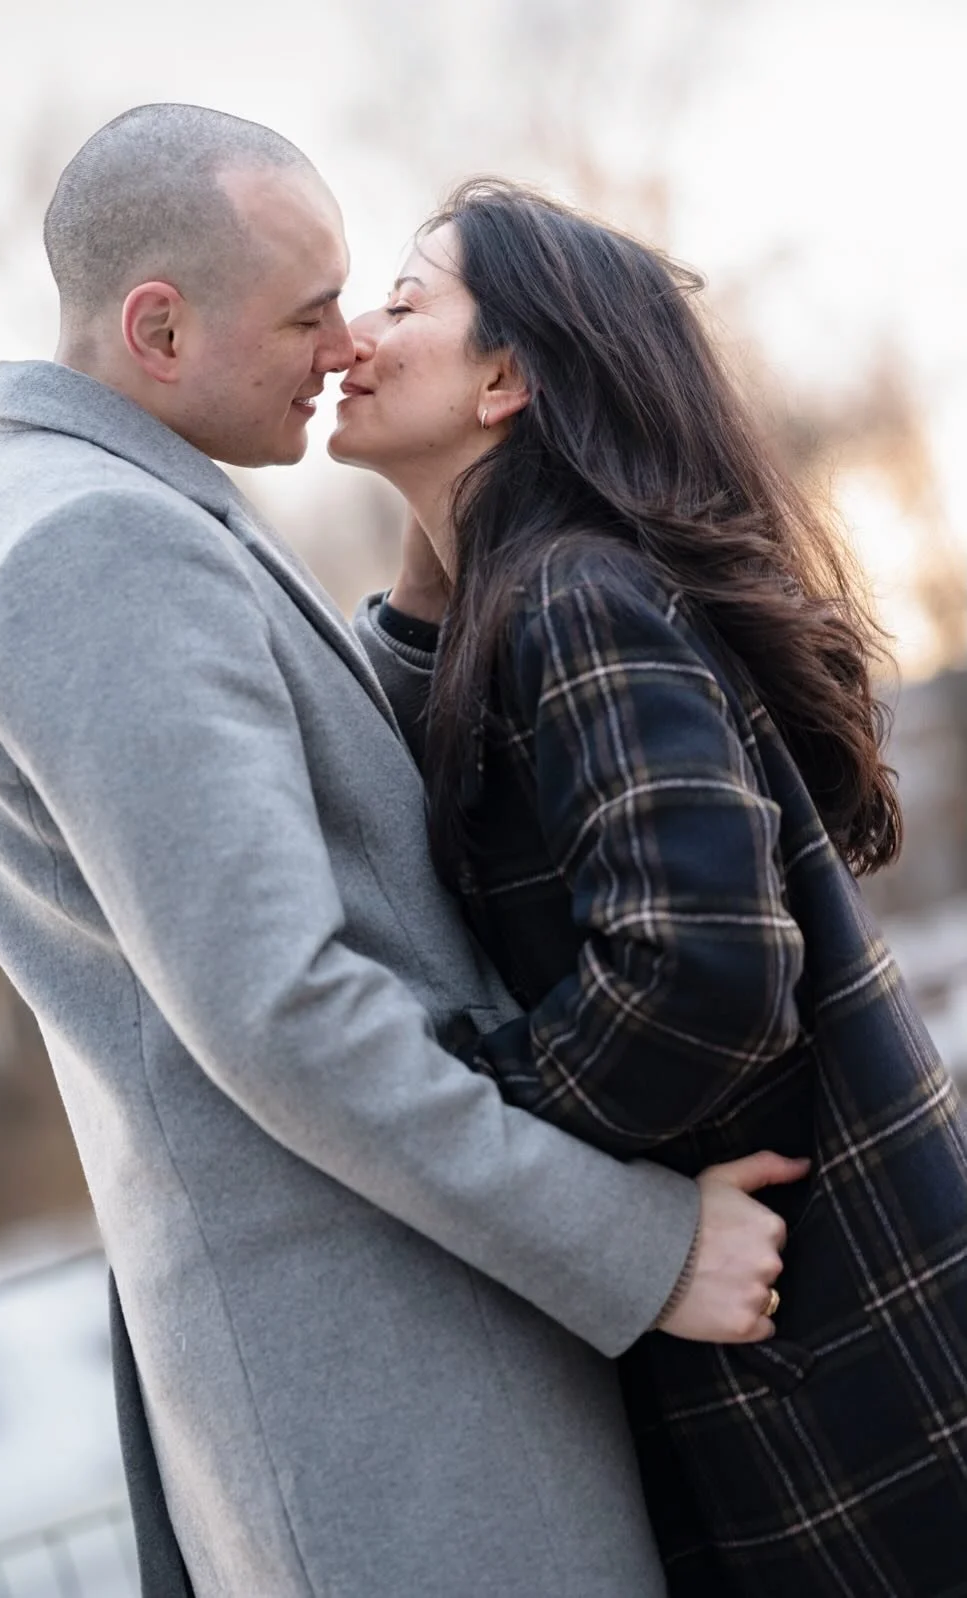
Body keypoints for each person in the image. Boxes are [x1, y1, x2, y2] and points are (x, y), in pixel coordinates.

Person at [0, 105, 803, 1598]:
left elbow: (316, 804)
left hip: (402, 1359)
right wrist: (634, 1246)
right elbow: (283, 1009)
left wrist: (439, 554)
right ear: (158, 326)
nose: (343, 347)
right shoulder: (94, 551)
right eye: (309, 312)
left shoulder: (84, 510)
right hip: (385, 1406)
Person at [330, 178, 967, 1597]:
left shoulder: (574, 595)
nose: (353, 334)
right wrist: (429, 574)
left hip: (848, 1380)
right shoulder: (534, 596)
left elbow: (702, 970)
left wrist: (466, 1116)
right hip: (822, 1362)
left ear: (506, 376)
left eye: (404, 298)